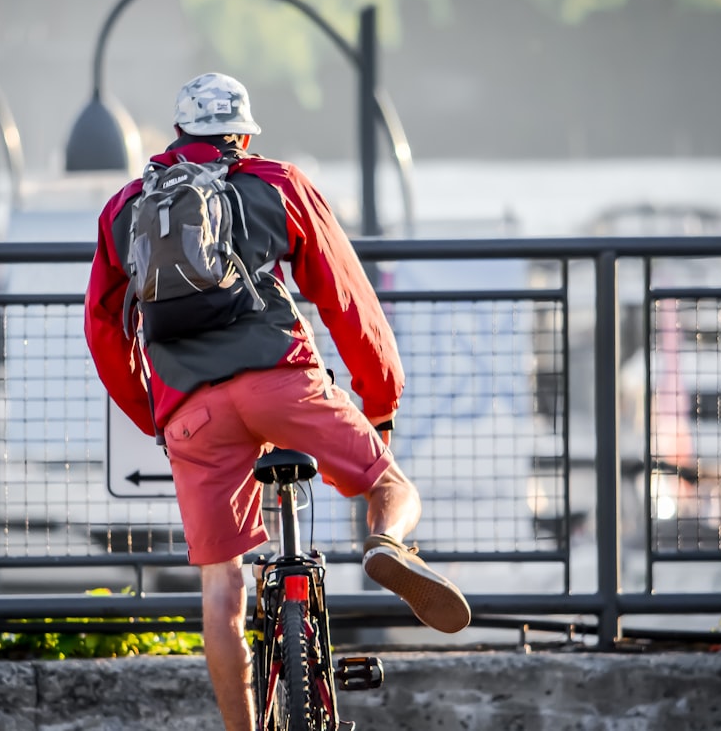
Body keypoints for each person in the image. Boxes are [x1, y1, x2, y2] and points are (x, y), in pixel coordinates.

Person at [84, 71, 470, 731]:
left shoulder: (125, 209)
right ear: (242, 133)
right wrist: (380, 402)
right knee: (390, 485)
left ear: (177, 134)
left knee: (221, 584)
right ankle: (385, 544)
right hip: (282, 382)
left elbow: (102, 325)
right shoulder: (277, 184)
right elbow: (345, 297)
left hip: (191, 413)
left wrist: (158, 414)